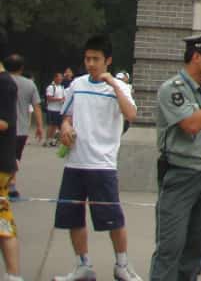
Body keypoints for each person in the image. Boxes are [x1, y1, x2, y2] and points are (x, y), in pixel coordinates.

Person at [50, 35, 142, 281]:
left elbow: (131, 113)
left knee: (112, 218)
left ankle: (122, 264)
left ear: (108, 61)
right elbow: (66, 114)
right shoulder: (77, 85)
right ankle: (83, 265)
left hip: (102, 164)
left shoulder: (119, 88)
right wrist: (66, 127)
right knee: (72, 217)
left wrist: (113, 84)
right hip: (75, 161)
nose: (90, 63)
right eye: (87, 58)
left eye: (96, 59)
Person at [149, 31, 201, 281]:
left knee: (195, 251)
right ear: (196, 57)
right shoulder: (172, 89)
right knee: (171, 247)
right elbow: (191, 125)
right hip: (181, 173)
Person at [4, 55, 43, 200]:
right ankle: (12, 184)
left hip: (4, 126)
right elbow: (37, 106)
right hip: (21, 129)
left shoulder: (2, 81)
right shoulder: (29, 84)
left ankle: (8, 184)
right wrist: (39, 126)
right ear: (21, 68)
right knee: (14, 157)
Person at [0, 57, 24, 281]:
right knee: (2, 220)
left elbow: (5, 123)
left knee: (3, 219)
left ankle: (14, 275)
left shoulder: (5, 83)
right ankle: (13, 275)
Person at [45, 72, 66, 146]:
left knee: (58, 126)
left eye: (61, 78)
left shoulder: (62, 87)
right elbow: (49, 98)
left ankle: (53, 140)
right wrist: (59, 99)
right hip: (52, 109)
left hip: (59, 110)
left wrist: (63, 100)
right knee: (51, 126)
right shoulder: (51, 87)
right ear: (55, 78)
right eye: (59, 78)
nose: (60, 79)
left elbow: (64, 97)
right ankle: (47, 140)